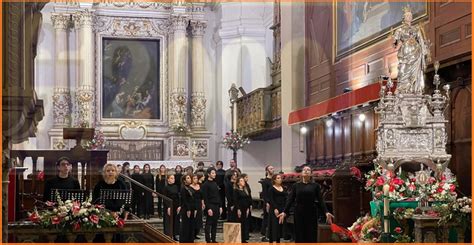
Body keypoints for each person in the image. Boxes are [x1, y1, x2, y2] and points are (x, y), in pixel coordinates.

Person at [278, 166, 334, 242]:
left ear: (311, 174)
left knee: (311, 234)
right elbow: (290, 200)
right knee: (299, 234)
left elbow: (321, 200)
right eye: (304, 170)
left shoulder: (315, 186)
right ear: (301, 173)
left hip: (311, 212)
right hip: (299, 212)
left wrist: (326, 212)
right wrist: (284, 211)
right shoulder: (296, 186)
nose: (306, 171)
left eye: (308, 170)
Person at [392, 5, 431, 94]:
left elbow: (421, 41)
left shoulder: (416, 29)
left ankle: (415, 90)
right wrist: (394, 41)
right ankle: (402, 89)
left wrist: (426, 52)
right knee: (403, 70)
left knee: (416, 73)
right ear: (404, 18)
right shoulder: (399, 30)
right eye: (407, 16)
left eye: (410, 15)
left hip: (416, 54)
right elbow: (395, 46)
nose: (409, 17)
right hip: (405, 54)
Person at [201, 167, 222, 243]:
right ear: (209, 174)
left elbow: (217, 195)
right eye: (213, 173)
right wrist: (208, 208)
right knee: (209, 223)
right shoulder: (205, 185)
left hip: (216, 205)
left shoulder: (215, 183)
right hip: (210, 205)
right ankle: (208, 240)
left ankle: (213, 239)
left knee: (215, 223)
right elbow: (205, 197)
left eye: (215, 173)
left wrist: (220, 206)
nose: (214, 174)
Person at [268, 174, 287, 243]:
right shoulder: (271, 188)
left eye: (280, 178)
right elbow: (271, 199)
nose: (280, 179)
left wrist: (285, 209)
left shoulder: (284, 188)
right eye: (278, 178)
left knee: (279, 226)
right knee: (274, 225)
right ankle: (271, 241)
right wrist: (275, 208)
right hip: (274, 208)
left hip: (282, 208)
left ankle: (278, 241)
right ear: (274, 180)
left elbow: (286, 198)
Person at [233, 176, 252, 243]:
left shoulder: (245, 190)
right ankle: (238, 238)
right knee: (239, 223)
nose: (243, 182)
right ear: (238, 183)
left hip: (245, 208)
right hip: (239, 208)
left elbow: (248, 199)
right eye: (241, 181)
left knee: (244, 224)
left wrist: (248, 208)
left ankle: (243, 238)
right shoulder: (236, 190)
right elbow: (235, 200)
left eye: (243, 181)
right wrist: (238, 209)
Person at [259, 165, 274, 242]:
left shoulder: (274, 180)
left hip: (274, 201)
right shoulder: (265, 181)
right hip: (268, 202)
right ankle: (265, 234)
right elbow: (265, 193)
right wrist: (267, 202)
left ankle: (272, 233)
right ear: (267, 171)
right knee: (267, 218)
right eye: (271, 169)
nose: (273, 170)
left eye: (273, 168)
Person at [180, 174, 196, 242]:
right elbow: (184, 200)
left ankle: (190, 240)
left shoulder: (191, 188)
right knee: (186, 226)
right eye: (188, 178)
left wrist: (195, 209)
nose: (190, 179)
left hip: (192, 208)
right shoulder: (183, 188)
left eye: (190, 178)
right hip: (186, 209)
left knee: (191, 226)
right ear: (184, 180)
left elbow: (193, 199)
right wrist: (188, 209)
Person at [163, 174, 180, 240]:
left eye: (174, 178)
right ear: (168, 179)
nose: (173, 179)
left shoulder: (176, 186)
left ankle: (176, 234)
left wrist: (179, 206)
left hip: (176, 205)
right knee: (168, 220)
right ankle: (168, 235)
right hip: (168, 206)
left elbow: (178, 197)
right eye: (172, 178)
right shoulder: (166, 187)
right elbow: (165, 198)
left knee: (176, 220)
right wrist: (168, 207)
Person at [191, 173, 204, 239]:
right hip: (193, 204)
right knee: (194, 219)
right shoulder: (190, 187)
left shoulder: (199, 185)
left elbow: (202, 196)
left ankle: (196, 233)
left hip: (199, 203)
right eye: (194, 179)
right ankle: (192, 234)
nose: (196, 180)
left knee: (199, 219)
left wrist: (203, 203)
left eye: (196, 178)